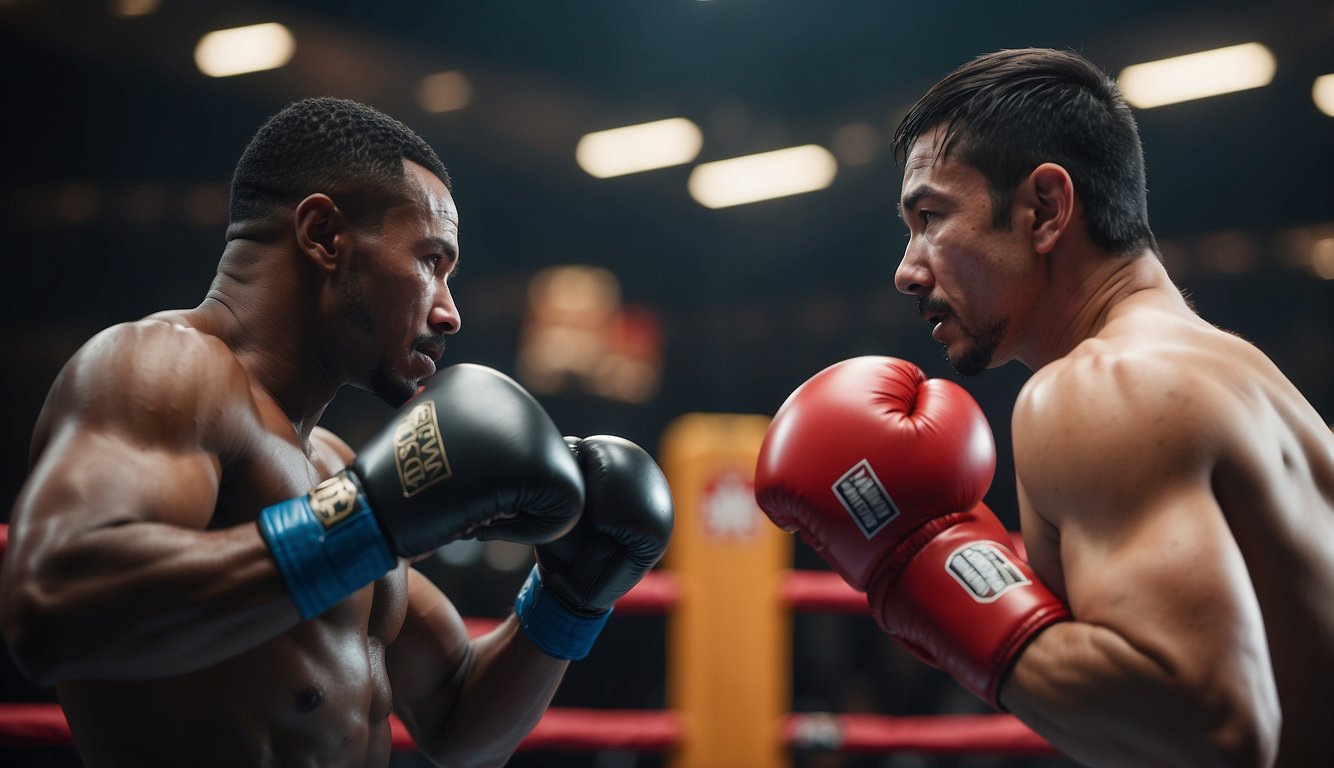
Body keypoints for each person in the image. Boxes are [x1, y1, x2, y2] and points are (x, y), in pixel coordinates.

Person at [0, 97, 673, 767]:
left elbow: (459, 715)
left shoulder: (335, 466)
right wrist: (360, 524)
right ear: (324, 235)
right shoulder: (162, 369)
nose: (450, 313)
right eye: (430, 262)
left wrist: (569, 600)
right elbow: (51, 604)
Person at [755, 48, 1334, 766]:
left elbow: (1214, 727)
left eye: (931, 216)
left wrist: (931, 586)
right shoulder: (1245, 374)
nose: (906, 270)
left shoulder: (1104, 386)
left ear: (1045, 209)